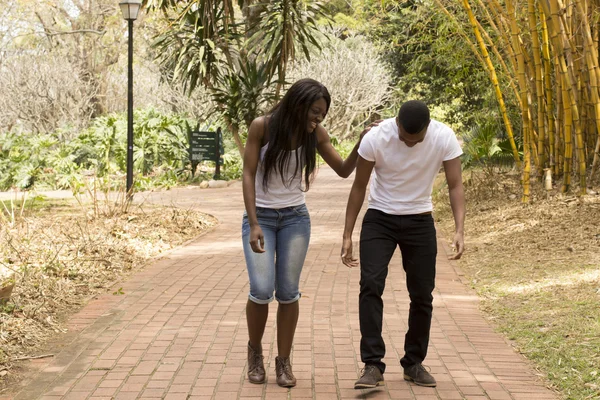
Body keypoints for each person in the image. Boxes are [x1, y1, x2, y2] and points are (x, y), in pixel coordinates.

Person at [242, 78, 377, 387]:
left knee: (288, 292)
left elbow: (344, 170)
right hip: (260, 216)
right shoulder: (261, 126)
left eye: (322, 115)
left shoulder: (315, 135)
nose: (318, 119)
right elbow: (248, 174)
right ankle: (255, 353)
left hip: (295, 220)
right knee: (261, 290)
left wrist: (361, 142)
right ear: (299, 104)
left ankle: (284, 362)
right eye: (315, 112)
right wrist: (253, 222)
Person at [340, 100, 465, 389]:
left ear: (427, 129)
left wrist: (460, 229)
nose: (409, 144)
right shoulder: (376, 137)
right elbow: (359, 186)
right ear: (396, 123)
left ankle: (414, 363)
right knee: (370, 285)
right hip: (380, 218)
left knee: (422, 294)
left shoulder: (443, 136)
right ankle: (372, 365)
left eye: (416, 140)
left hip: (420, 220)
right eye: (404, 138)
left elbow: (455, 184)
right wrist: (348, 233)